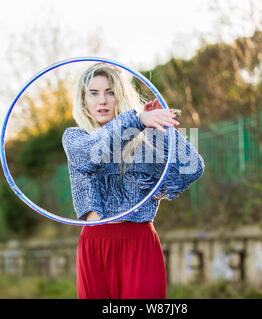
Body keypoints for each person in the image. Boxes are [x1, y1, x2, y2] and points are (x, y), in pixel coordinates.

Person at [62, 62, 205, 299]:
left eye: (110, 92)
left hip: (138, 242)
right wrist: (136, 119)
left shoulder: (145, 140)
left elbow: (191, 168)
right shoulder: (75, 138)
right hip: (95, 245)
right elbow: (92, 153)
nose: (102, 100)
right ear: (83, 100)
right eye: (94, 93)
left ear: (121, 96)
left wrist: (161, 130)